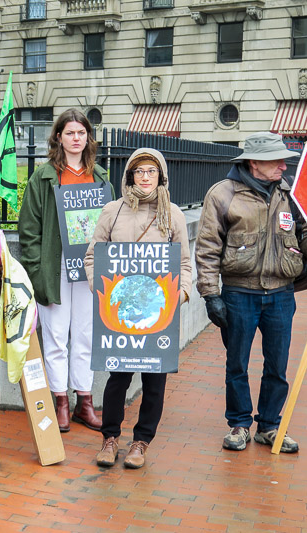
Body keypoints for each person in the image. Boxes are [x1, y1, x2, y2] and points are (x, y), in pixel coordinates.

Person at [195, 132, 307, 454]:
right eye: (276, 160)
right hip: (239, 293)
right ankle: (239, 424)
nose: (283, 165)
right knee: (237, 363)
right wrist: (211, 294)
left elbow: (304, 235)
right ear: (254, 162)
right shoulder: (222, 194)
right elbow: (208, 248)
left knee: (277, 364)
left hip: (281, 294)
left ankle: (270, 425)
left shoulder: (289, 193)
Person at [83, 147, 192, 469]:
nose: (145, 177)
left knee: (155, 381)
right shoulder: (112, 211)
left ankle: (141, 442)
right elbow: (93, 256)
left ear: (161, 176)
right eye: (139, 171)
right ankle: (110, 438)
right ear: (129, 176)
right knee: (118, 377)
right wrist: (99, 287)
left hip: (158, 314)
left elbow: (184, 262)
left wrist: (181, 294)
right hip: (121, 313)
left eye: (151, 171)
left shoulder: (174, 214)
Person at [19, 108, 112, 433]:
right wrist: (36, 270)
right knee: (57, 337)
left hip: (89, 267)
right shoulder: (44, 177)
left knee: (86, 335)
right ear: (58, 136)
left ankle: (84, 400)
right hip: (55, 267)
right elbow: (28, 230)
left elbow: (111, 225)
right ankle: (60, 400)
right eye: (70, 132)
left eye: (81, 133)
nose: (76, 138)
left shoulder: (100, 177)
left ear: (88, 137)